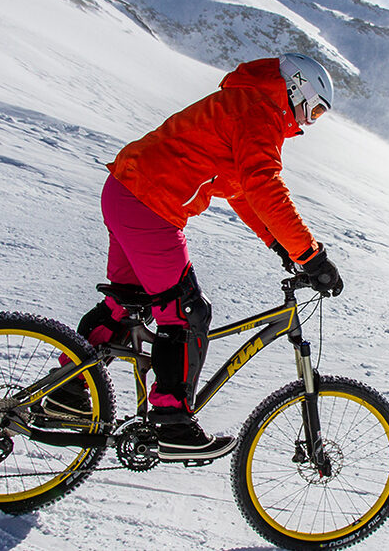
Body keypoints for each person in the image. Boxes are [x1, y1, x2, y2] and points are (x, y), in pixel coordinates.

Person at [40, 54, 344, 462]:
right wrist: (311, 255)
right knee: (186, 313)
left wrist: (278, 244)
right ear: (298, 87)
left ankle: (65, 392)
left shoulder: (246, 104)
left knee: (125, 304)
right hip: (151, 203)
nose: (309, 121)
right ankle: (172, 423)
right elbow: (262, 184)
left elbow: (240, 191)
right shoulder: (261, 110)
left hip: (127, 191)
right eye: (315, 109)